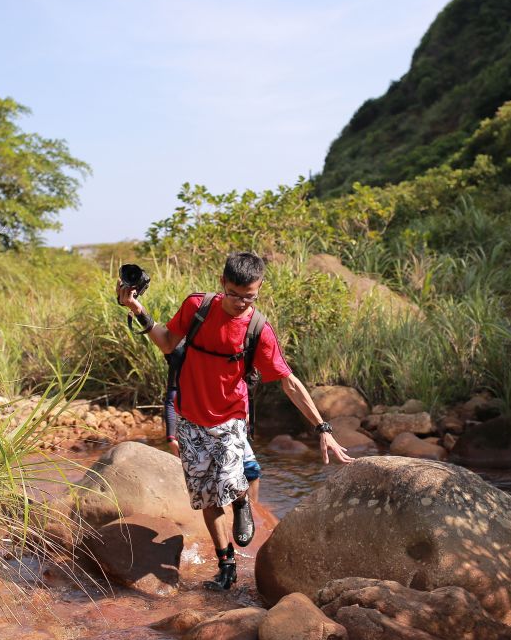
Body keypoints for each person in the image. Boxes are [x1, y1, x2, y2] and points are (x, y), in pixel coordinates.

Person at [117, 252, 354, 590]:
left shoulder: (258, 328)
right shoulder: (197, 307)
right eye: (235, 294)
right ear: (222, 283)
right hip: (189, 419)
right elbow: (167, 342)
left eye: (250, 297)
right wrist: (137, 309)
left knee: (228, 486)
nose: (242, 302)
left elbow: (288, 381)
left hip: (230, 418)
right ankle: (225, 564)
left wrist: (323, 428)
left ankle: (242, 499)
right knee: (206, 497)